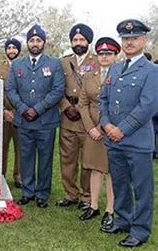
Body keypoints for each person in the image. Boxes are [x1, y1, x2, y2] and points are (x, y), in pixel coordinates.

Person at [99, 19, 158, 248]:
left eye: (134, 38)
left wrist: (120, 129)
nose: (129, 42)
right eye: (125, 38)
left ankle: (140, 230)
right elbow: (103, 100)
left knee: (142, 188)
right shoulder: (114, 68)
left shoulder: (152, 71)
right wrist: (106, 125)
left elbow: (148, 106)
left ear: (143, 40)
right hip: (114, 140)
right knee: (121, 184)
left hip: (136, 141)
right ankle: (123, 220)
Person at [6, 24, 65, 208]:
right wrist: (23, 108)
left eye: (38, 40)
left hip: (46, 120)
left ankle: (42, 193)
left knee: (45, 158)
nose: (35, 43)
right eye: (31, 40)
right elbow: (10, 89)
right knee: (26, 157)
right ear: (27, 43)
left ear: (44, 43)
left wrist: (37, 109)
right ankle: (27, 191)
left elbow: (57, 90)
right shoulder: (17, 64)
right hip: (24, 120)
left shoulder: (54, 63)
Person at [77, 37, 120, 229]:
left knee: (111, 170)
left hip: (113, 130)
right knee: (95, 168)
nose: (104, 57)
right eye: (101, 54)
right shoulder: (89, 76)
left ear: (115, 56)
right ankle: (93, 206)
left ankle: (110, 210)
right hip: (93, 130)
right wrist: (90, 127)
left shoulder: (121, 75)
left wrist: (110, 127)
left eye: (108, 54)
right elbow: (83, 103)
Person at [56, 24, 98, 210]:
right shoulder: (63, 62)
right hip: (67, 117)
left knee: (87, 159)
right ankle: (70, 194)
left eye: (82, 40)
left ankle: (87, 197)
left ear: (89, 41)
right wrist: (65, 107)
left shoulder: (97, 62)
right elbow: (56, 88)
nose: (78, 43)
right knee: (67, 158)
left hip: (88, 119)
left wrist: (81, 110)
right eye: (75, 40)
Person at [0, 38, 22, 188]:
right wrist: (3, 110)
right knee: (2, 146)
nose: (11, 51)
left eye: (14, 48)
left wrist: (18, 111)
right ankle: (1, 175)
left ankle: (19, 176)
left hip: (20, 114)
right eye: (9, 48)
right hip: (3, 115)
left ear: (19, 50)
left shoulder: (24, 65)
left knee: (20, 147)